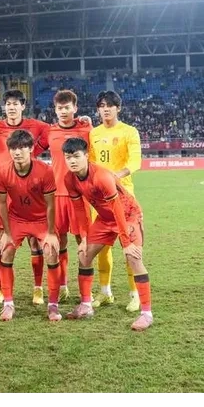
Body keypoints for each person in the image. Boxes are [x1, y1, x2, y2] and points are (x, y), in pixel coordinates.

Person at [62, 137, 153, 331]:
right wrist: (84, 238)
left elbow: (117, 207)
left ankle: (146, 314)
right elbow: (79, 209)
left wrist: (126, 242)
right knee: (84, 255)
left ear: (86, 156)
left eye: (76, 156)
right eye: (68, 157)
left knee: (133, 257)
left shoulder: (101, 176)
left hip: (127, 215)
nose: (72, 161)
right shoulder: (69, 179)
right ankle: (86, 305)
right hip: (104, 218)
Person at [0, 89, 51, 306]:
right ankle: (2, 290)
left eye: (16, 103)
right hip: (5, 187)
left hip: (28, 187)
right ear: (4, 107)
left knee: (35, 243)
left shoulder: (35, 125)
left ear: (23, 106)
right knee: (1, 242)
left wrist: (36, 151)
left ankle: (38, 288)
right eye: (8, 104)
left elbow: (53, 132)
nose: (11, 107)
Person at [0, 130, 61, 322]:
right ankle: (8, 304)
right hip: (17, 219)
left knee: (51, 253)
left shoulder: (45, 171)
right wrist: (7, 233)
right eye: (13, 148)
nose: (17, 152)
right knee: (6, 251)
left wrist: (51, 233)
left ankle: (53, 305)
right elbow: (1, 204)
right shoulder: (2, 172)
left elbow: (50, 204)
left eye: (22, 147)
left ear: (31, 148)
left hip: (41, 220)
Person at [36, 89, 92, 303]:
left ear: (75, 108)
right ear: (55, 109)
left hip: (80, 194)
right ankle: (62, 286)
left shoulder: (86, 129)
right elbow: (32, 151)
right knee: (58, 243)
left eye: (67, 107)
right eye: (59, 108)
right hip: (56, 195)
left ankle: (86, 293)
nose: (63, 111)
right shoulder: (50, 132)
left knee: (84, 241)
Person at [89, 91, 142, 312]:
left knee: (129, 246)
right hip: (100, 200)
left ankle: (135, 294)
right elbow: (90, 163)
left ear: (118, 108)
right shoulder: (93, 133)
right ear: (98, 109)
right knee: (102, 248)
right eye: (102, 106)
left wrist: (116, 176)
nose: (106, 109)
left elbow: (136, 160)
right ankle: (105, 292)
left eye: (110, 105)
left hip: (123, 197)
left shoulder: (129, 131)